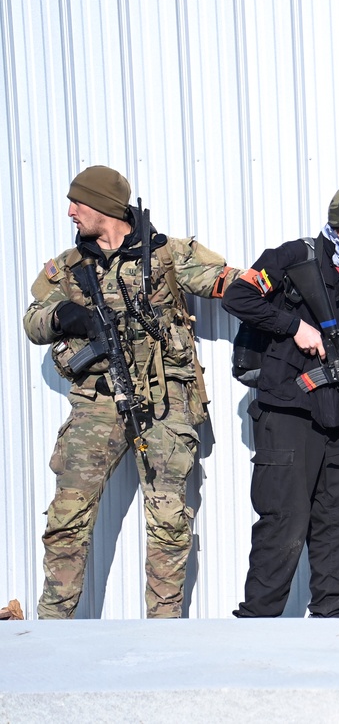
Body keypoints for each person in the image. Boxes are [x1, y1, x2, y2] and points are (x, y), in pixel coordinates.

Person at [23, 165, 242, 619]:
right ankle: (51, 627)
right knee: (68, 515)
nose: (69, 212)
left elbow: (226, 282)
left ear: (103, 206)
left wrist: (275, 278)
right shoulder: (67, 267)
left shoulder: (166, 255)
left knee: (168, 520)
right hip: (97, 403)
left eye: (77, 204)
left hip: (163, 401)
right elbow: (33, 320)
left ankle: (161, 630)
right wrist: (64, 314)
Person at [224, 182, 339, 618]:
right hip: (287, 413)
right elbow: (236, 296)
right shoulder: (292, 257)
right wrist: (293, 327)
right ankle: (257, 624)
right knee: (284, 524)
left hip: (337, 419)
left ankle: (333, 629)